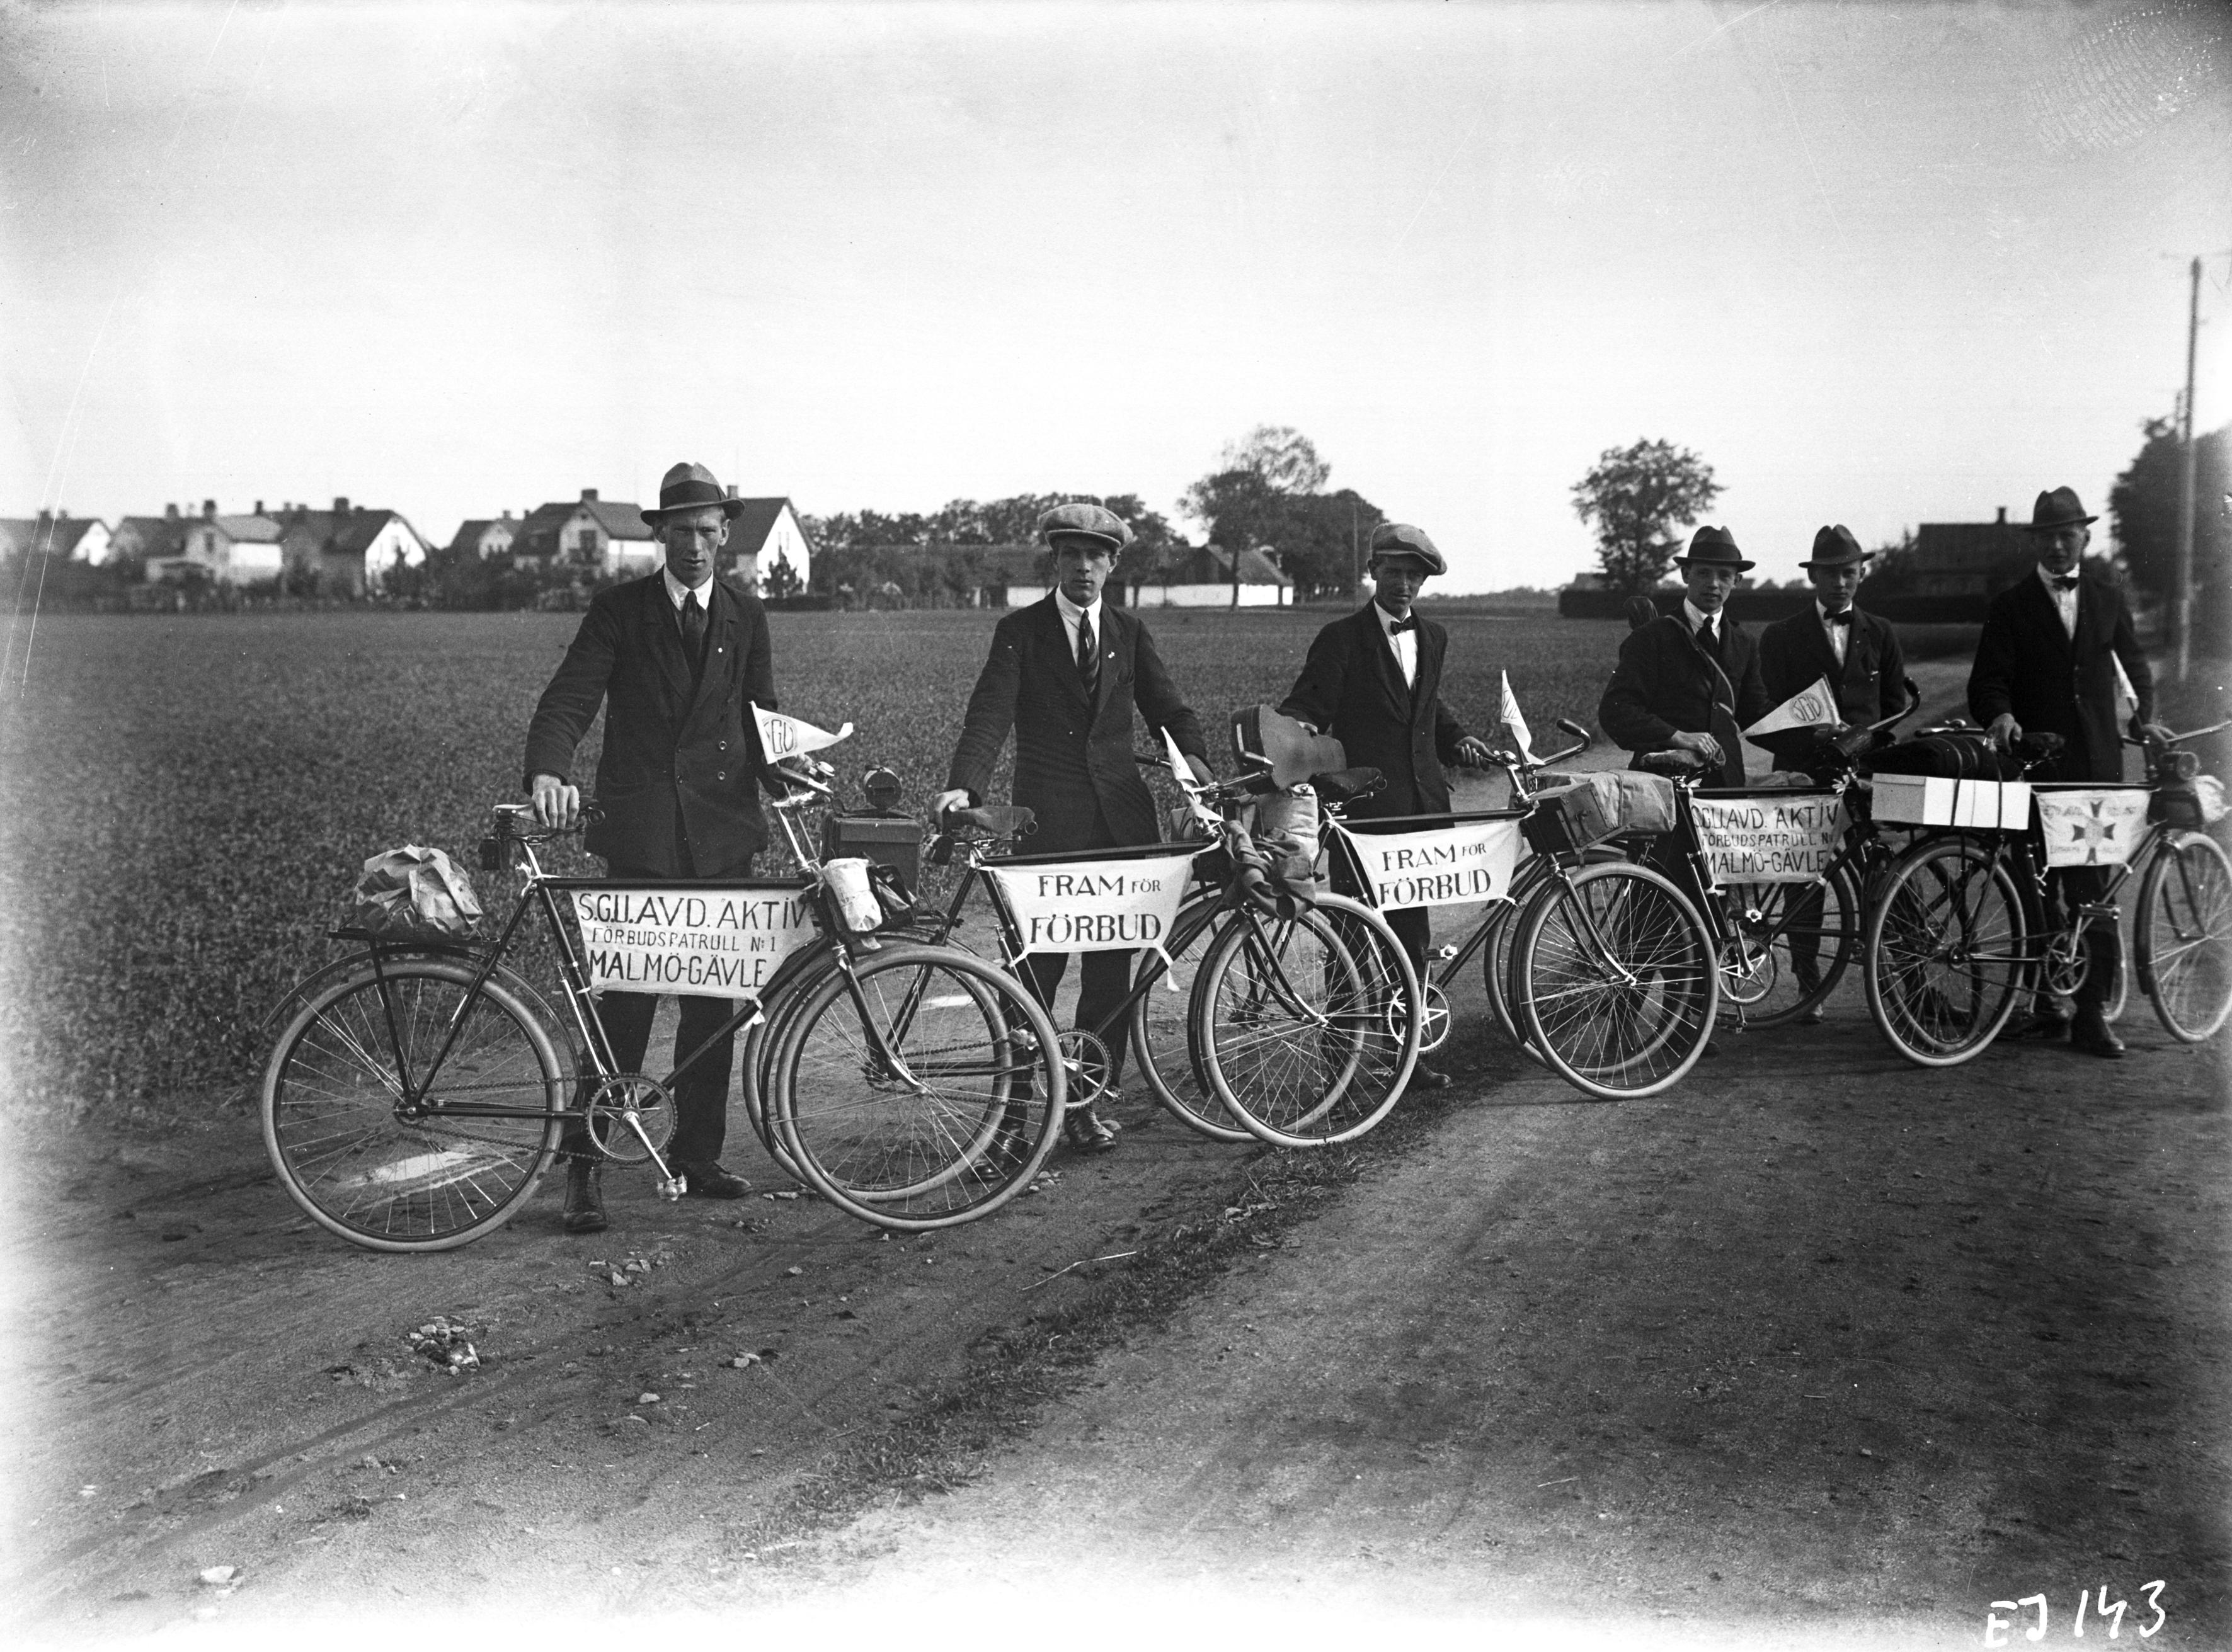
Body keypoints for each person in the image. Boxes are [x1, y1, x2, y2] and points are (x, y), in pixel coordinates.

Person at [524, 462, 779, 1233]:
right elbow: (570, 697)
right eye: (681, 531)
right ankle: (587, 1166)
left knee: (715, 1004)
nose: (694, 546)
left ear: (725, 534)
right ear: (659, 534)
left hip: (722, 835)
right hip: (644, 836)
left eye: (706, 531)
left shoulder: (746, 614)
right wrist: (548, 770)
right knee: (624, 1008)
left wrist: (794, 767)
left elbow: (761, 717)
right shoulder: (620, 611)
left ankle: (697, 1155)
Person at [930, 501, 1213, 1153]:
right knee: (1035, 971)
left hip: (1121, 826)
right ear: (1055, 562)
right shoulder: (1020, 631)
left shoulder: (1129, 632)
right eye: (1071, 555)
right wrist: (965, 784)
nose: (1083, 567)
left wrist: (1198, 770)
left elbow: (1169, 711)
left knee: (1111, 974)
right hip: (1048, 827)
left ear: (1112, 564)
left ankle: (1087, 1102)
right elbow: (989, 715)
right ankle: (1011, 1118)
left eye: (1096, 556)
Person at [1276, 522, 1494, 1090]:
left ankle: (1407, 1054)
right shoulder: (1341, 638)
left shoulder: (1434, 636)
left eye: (1413, 575)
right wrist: (1294, 731)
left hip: (1420, 809)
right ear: (1373, 572)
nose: (1403, 583)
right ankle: (1340, 1058)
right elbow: (1308, 703)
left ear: (1424, 581)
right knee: (1352, 934)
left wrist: (1457, 739)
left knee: (1412, 936)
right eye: (1393, 571)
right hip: (1363, 813)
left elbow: (1427, 706)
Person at [1968, 486, 2157, 1059]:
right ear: (2034, 542)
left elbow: (2135, 669)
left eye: (2066, 535)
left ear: (2084, 538)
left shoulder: (2107, 598)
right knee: (2034, 888)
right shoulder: (2011, 606)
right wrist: (2001, 715)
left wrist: (2145, 718)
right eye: (2047, 537)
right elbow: (1987, 681)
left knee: (2092, 891)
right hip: (2035, 768)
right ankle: (2043, 1002)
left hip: (2096, 769)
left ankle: (2091, 1013)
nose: (2056, 546)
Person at [1753, 524, 1910, 1022]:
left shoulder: (1880, 632)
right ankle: (1808, 986)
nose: (1839, 583)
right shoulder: (1781, 635)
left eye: (1848, 573)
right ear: (1812, 577)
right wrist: (1812, 737)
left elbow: (1893, 708)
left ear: (1861, 574)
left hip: (1862, 775)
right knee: (1803, 881)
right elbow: (1764, 714)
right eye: (1829, 574)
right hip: (1804, 774)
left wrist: (1864, 741)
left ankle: (1906, 985)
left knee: (1885, 874)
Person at [1598, 525, 1775, 790]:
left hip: (1727, 785)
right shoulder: (1651, 637)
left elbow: (1757, 714)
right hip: (1662, 784)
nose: (1713, 583)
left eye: (1724, 575)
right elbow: (1616, 710)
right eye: (1703, 573)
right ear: (1685, 574)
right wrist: (1677, 736)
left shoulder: (1744, 643)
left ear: (1737, 581)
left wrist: (1816, 735)